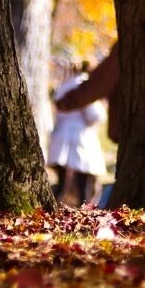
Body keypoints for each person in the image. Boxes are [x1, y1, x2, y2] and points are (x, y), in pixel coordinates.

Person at [51, 53, 114, 207]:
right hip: (80, 139)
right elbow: (95, 115)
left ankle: (52, 209)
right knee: (83, 182)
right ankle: (84, 210)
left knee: (62, 182)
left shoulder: (62, 86)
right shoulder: (83, 86)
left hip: (61, 137)